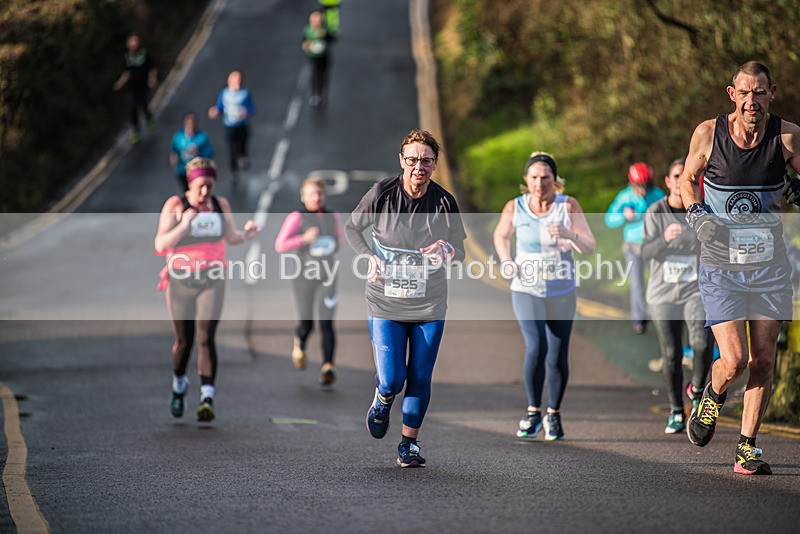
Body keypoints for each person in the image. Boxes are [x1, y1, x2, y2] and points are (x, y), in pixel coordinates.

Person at [679, 61, 800, 475]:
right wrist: (697, 213)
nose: (752, 101)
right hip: (720, 266)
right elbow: (685, 180)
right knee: (733, 359)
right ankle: (711, 394)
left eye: (760, 92)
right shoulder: (708, 133)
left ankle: (747, 446)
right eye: (744, 93)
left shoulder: (787, 137)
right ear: (732, 94)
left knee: (763, 360)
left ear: (771, 93)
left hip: (769, 268)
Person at [345, 129, 467, 467]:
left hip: (429, 304)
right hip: (385, 300)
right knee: (393, 379)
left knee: (420, 377)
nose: (418, 167)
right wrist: (369, 256)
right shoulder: (382, 194)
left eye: (426, 161)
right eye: (412, 160)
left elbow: (461, 251)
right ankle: (383, 398)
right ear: (402, 160)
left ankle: (408, 445)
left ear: (435, 165)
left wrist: (448, 249)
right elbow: (352, 228)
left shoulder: (444, 202)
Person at [493, 152, 596, 441]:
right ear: (526, 180)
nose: (540, 183)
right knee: (536, 347)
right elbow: (501, 235)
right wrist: (506, 260)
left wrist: (570, 234)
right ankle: (532, 411)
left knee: (557, 355)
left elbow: (589, 245)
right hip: (526, 289)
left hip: (561, 292)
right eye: (534, 177)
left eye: (545, 178)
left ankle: (553, 414)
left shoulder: (568, 205)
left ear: (555, 180)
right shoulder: (515, 206)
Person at [154, 157, 260, 423]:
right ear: (191, 183)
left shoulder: (219, 204)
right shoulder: (176, 205)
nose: (205, 193)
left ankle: (207, 397)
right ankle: (179, 384)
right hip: (180, 281)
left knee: (206, 336)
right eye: (201, 186)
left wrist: (246, 234)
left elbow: (231, 237)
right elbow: (159, 244)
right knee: (184, 341)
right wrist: (183, 225)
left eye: (210, 186)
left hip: (212, 278)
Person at [642, 158, 714, 434]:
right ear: (669, 181)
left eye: (690, 177)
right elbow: (644, 252)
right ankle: (675, 410)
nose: (683, 180)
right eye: (677, 175)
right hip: (662, 295)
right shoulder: (655, 212)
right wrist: (665, 240)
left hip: (694, 290)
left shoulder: (701, 212)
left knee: (701, 342)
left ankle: (696, 389)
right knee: (671, 353)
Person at [274, 178, 342, 385]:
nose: (317, 197)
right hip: (304, 276)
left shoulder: (333, 216)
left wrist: (331, 245)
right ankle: (300, 342)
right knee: (307, 323)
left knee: (327, 322)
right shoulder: (297, 217)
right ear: (303, 197)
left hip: (328, 275)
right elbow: (280, 245)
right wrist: (303, 239)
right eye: (312, 194)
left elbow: (339, 240)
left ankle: (328, 366)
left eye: (319, 193)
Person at [605, 163, 665, 334]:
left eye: (646, 186)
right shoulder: (625, 197)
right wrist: (623, 216)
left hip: (653, 245)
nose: (643, 191)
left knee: (658, 282)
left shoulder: (657, 195)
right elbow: (609, 220)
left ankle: (660, 315)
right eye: (639, 186)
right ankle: (639, 319)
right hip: (632, 246)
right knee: (637, 284)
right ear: (632, 184)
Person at [208, 70, 255, 183]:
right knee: (231, 149)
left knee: (243, 143)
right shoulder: (225, 94)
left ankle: (243, 157)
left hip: (241, 125)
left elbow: (252, 108)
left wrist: (246, 112)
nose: (238, 84)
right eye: (235, 81)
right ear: (229, 82)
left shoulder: (245, 93)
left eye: (239, 81)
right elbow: (220, 106)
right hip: (229, 126)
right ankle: (234, 171)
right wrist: (215, 111)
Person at [112, 34, 158, 143]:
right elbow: (126, 72)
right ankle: (136, 131)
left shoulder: (144, 53)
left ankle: (150, 119)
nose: (134, 45)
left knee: (144, 105)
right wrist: (120, 83)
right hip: (132, 88)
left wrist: (152, 78)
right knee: (133, 109)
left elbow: (152, 67)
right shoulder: (127, 57)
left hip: (143, 86)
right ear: (128, 45)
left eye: (136, 42)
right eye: (132, 43)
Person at [169, 112, 214, 192]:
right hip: (182, 169)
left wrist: (198, 152)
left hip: (196, 171)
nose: (190, 127)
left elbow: (209, 153)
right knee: (185, 190)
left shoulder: (202, 137)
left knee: (194, 191)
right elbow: (174, 149)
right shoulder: (179, 136)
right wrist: (173, 157)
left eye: (193, 124)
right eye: (188, 124)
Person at [302, 11, 334, 108]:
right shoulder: (307, 30)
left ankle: (323, 90)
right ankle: (315, 93)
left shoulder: (324, 30)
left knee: (323, 74)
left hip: (324, 56)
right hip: (313, 56)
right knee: (315, 74)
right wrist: (306, 45)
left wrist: (325, 35)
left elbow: (332, 38)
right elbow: (304, 41)